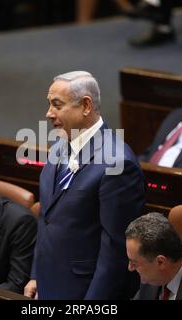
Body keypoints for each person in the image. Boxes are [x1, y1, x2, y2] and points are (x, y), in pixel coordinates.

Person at [24, 71, 145, 300]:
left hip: (85, 291)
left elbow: (116, 250)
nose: (48, 114)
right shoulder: (61, 145)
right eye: (49, 104)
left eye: (57, 105)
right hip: (51, 281)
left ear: (86, 106)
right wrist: (38, 275)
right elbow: (47, 218)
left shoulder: (118, 164)